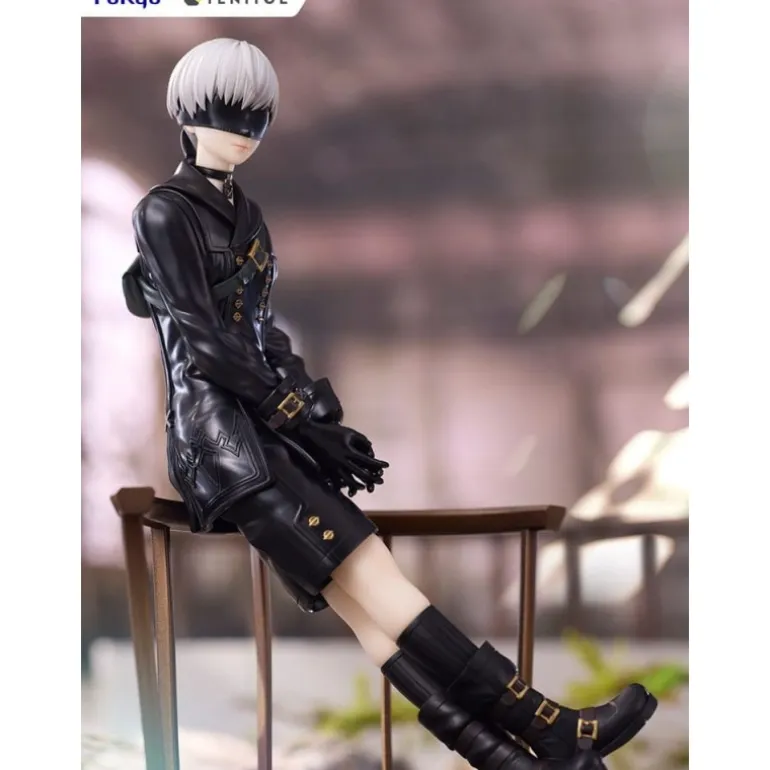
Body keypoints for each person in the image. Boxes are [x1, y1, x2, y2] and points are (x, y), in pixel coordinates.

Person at [124, 38, 656, 770]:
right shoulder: (164, 212)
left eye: (258, 116)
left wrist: (318, 422)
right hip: (219, 443)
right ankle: (550, 725)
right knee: (375, 576)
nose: (244, 130)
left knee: (366, 612)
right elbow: (207, 344)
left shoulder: (246, 213)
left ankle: (513, 760)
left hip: (264, 435)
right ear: (186, 112)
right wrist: (294, 419)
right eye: (227, 112)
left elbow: (264, 333)